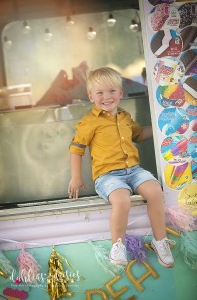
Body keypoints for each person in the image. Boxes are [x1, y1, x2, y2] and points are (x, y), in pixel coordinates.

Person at [68, 67, 175, 268]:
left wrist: (162, 127)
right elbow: (76, 148)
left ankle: (160, 241)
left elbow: (139, 135)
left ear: (120, 93)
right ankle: (118, 245)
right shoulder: (89, 122)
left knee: (155, 191)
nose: (106, 97)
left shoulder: (125, 117)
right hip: (108, 176)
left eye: (111, 91)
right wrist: (76, 177)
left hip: (133, 171)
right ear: (91, 96)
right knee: (122, 200)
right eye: (99, 93)